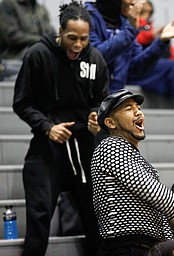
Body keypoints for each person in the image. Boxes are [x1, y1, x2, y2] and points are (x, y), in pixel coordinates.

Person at [12, 1, 109, 256]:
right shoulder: (38, 55)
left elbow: (101, 101)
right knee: (39, 218)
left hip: (84, 148)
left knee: (95, 219)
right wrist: (47, 127)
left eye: (84, 39)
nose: (78, 45)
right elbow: (22, 103)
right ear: (60, 32)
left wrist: (95, 116)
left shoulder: (96, 59)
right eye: (72, 38)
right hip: (48, 147)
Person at [92, 89, 174, 256]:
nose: (138, 111)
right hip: (124, 247)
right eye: (128, 108)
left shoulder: (135, 157)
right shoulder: (110, 146)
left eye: (138, 107)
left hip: (146, 246)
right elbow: (155, 193)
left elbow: (157, 206)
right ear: (111, 123)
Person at [85, 0, 174, 127]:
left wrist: (161, 41)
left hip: (120, 85)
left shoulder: (125, 22)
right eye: (130, 0)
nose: (134, 3)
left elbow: (137, 67)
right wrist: (131, 30)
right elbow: (97, 56)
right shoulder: (88, 17)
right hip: (95, 97)